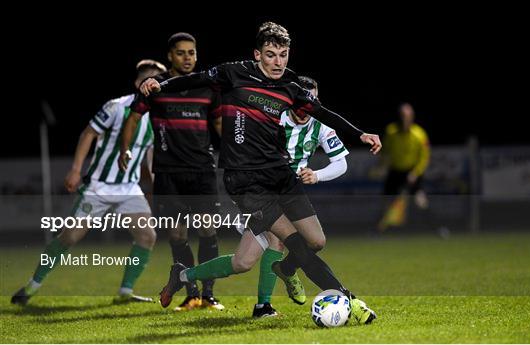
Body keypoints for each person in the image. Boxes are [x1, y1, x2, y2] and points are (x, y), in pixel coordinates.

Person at [140, 22, 381, 325]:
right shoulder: (234, 73)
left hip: (280, 176)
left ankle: (186, 273)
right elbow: (197, 78)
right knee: (294, 245)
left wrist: (360, 134)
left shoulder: (290, 88)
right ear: (258, 54)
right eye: (270, 55)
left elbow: (323, 112)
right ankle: (351, 300)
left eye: (283, 55)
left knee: (295, 246)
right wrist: (159, 84)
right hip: (246, 182)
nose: (278, 62)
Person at [11, 60, 165, 305]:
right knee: (69, 237)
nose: (156, 84)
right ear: (138, 84)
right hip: (98, 187)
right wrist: (75, 170)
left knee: (147, 236)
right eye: (152, 79)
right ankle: (31, 287)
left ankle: (125, 292)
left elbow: (149, 155)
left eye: (160, 80)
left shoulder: (158, 117)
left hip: (129, 188)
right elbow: (89, 133)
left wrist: (158, 183)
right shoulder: (117, 107)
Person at [118, 32, 224, 311]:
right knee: (177, 236)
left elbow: (219, 125)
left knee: (207, 231)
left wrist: (240, 153)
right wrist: (124, 150)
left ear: (196, 55)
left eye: (191, 52)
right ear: (170, 56)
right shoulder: (156, 87)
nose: (187, 58)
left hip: (202, 171)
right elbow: (133, 117)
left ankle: (209, 295)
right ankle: (192, 294)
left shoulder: (208, 87)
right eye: (181, 53)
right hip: (168, 173)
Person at [251, 75, 350, 318]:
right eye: (301, 101)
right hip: (264, 189)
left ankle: (286, 269)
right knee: (269, 246)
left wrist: (316, 175)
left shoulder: (321, 125)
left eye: (312, 102)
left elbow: (341, 163)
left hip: (292, 191)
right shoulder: (274, 119)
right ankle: (263, 306)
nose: (307, 107)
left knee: (317, 242)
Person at [377, 102, 430, 232]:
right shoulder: (391, 131)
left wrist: (415, 173)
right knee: (387, 200)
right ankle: (382, 229)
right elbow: (385, 152)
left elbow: (424, 158)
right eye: (402, 116)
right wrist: (382, 166)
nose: (404, 119)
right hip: (395, 171)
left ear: (412, 117)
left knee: (420, 201)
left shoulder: (420, 134)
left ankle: (429, 227)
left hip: (412, 172)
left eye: (407, 116)